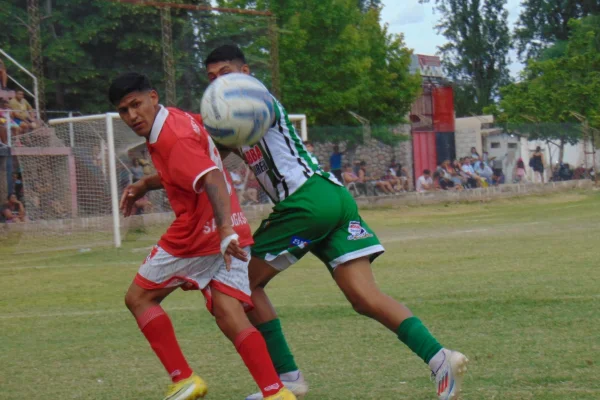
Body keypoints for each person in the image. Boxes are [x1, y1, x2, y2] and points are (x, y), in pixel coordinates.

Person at [200, 45, 467, 400]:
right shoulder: (234, 123)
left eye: (227, 75)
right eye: (212, 79)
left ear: (246, 74)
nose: (220, 85)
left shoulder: (254, 101)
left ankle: (286, 379)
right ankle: (440, 359)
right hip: (332, 197)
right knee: (363, 296)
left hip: (307, 201)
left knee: (241, 284)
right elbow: (207, 159)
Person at [109, 72, 295, 400]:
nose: (132, 116)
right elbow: (202, 157)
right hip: (234, 228)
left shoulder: (170, 136)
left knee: (138, 298)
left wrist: (221, 228)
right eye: (124, 110)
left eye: (136, 104)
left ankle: (184, 379)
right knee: (229, 313)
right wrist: (144, 184)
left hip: (200, 233)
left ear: (152, 96)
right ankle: (276, 392)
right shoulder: (179, 118)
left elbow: (210, 176)